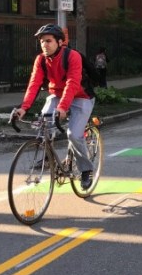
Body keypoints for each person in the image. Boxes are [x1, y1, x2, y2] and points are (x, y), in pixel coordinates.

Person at [14, 24, 96, 189]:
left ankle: (86, 170)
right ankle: (47, 155)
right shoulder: (41, 60)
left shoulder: (72, 56)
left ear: (60, 42)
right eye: (42, 41)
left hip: (81, 97)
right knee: (44, 118)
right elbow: (34, 84)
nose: (44, 44)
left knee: (73, 134)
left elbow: (72, 83)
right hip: (57, 96)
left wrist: (63, 107)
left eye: (48, 41)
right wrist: (23, 108)